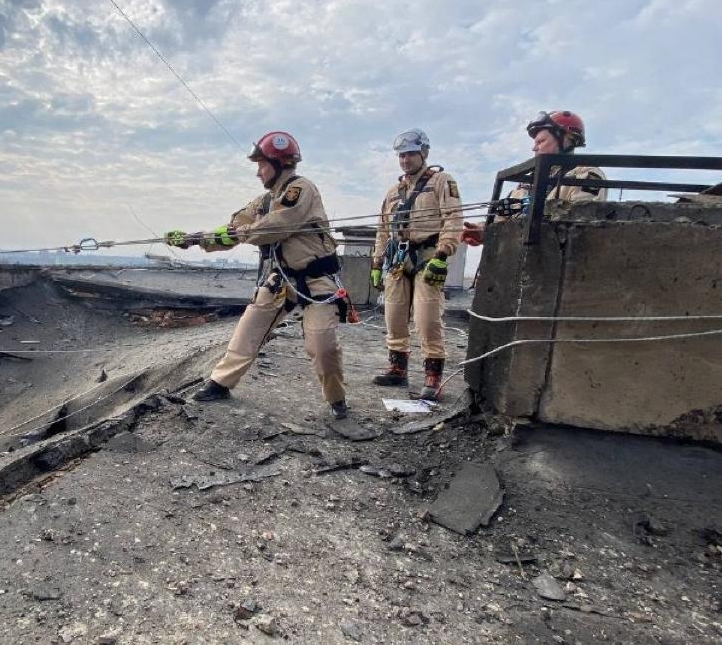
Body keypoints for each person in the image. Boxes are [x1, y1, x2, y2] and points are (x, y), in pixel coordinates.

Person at [164, 131, 349, 419]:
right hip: (281, 278)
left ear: (279, 164)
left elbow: (275, 227)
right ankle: (220, 384)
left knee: (321, 343)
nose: (258, 172)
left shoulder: (300, 191)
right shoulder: (263, 201)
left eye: (262, 165)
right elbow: (235, 227)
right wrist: (195, 239)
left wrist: (239, 232)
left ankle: (337, 400)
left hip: (317, 279)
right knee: (248, 330)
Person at [370, 129, 462, 400]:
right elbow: (383, 229)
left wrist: (443, 255)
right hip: (397, 262)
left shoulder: (442, 182)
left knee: (427, 319)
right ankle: (397, 369)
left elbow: (453, 218)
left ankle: (433, 376)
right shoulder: (393, 191)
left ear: (424, 153)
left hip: (428, 258)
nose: (405, 160)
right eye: (401, 155)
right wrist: (377, 262)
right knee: (394, 317)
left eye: (410, 154)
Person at [461, 111, 607, 246]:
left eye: (540, 141)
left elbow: (579, 221)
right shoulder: (528, 182)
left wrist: (531, 210)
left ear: (567, 139)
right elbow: (501, 219)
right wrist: (483, 231)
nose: (534, 148)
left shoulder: (586, 175)